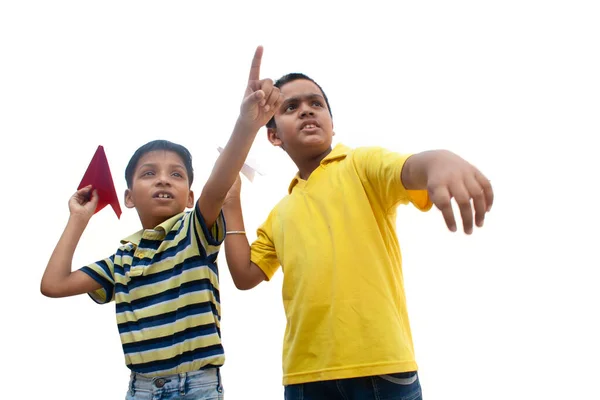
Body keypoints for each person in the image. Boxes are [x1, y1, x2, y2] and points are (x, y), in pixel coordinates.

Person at [222, 73, 494, 400]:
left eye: (316, 104)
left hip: (381, 367)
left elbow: (409, 168)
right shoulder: (280, 213)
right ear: (274, 135)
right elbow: (244, 274)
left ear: (332, 125)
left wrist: (440, 160)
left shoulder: (360, 164)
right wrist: (231, 203)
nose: (307, 111)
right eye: (291, 107)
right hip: (305, 376)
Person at [40, 46, 283, 400]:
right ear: (128, 197)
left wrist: (247, 125)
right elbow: (53, 284)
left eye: (176, 174)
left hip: (198, 385)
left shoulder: (195, 232)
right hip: (141, 388)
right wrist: (79, 218)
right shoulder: (121, 260)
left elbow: (219, 183)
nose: (163, 180)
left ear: (189, 197)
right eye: (149, 174)